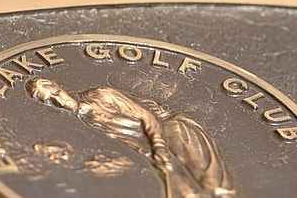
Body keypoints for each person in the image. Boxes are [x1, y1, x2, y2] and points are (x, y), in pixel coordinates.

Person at [26, 77, 235, 198]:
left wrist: (159, 146)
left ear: (55, 85)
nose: (58, 103)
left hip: (173, 130)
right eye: (50, 102)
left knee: (213, 185)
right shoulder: (85, 117)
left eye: (54, 95)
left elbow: (149, 118)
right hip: (151, 149)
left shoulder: (101, 94)